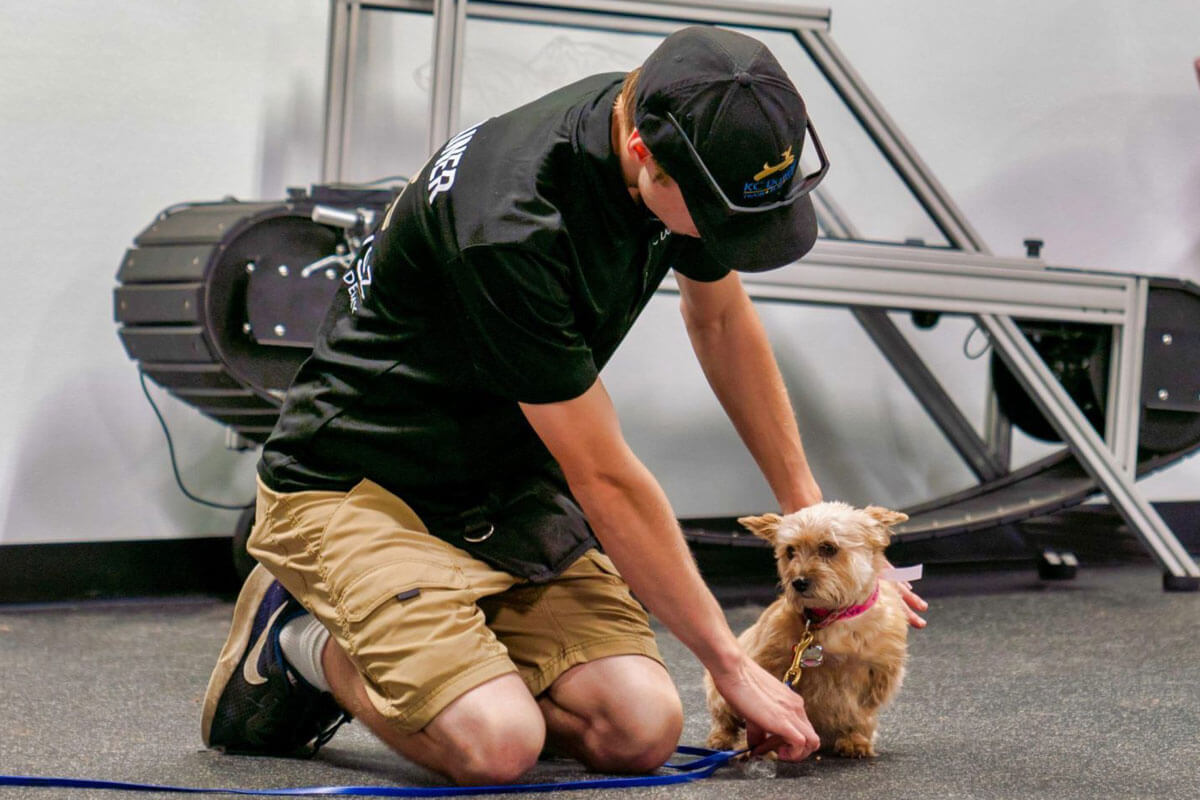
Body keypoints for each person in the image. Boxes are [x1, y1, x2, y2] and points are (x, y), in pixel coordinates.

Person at [200, 25, 927, 785]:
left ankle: (446, 652)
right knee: (496, 746)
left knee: (640, 732)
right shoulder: (511, 225)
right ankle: (301, 641)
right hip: (362, 485)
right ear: (644, 156)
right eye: (722, 225)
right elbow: (605, 479)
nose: (729, 241)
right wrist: (730, 666)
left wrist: (813, 518)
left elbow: (718, 318)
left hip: (501, 483)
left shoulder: (685, 121)